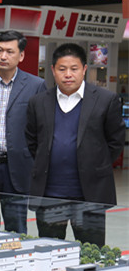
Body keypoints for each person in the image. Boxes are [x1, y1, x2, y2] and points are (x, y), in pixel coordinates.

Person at [26, 43, 124, 246]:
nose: (68, 74)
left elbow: (115, 141)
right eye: (62, 69)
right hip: (50, 197)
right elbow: (32, 140)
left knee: (91, 253)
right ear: (53, 70)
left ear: (84, 69)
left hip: (89, 196)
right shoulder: (38, 102)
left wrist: (96, 166)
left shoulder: (105, 100)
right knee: (50, 252)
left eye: (74, 68)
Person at [0, 31, 46, 233]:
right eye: (0, 50)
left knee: (16, 229)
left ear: (21, 56)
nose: (3, 56)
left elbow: (42, 130)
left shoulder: (36, 86)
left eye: (9, 52)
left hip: (17, 168)